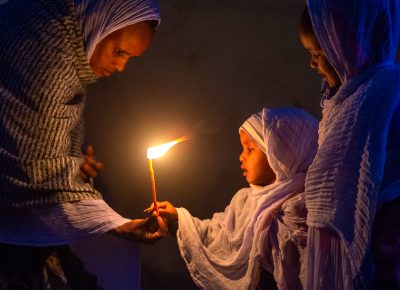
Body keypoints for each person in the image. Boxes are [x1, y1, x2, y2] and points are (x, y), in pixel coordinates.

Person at [0, 0, 166, 289]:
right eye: (118, 51)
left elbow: (38, 140)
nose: (121, 66)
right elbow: (32, 171)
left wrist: (69, 160)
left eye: (129, 58)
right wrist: (118, 225)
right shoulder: (48, 58)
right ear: (99, 23)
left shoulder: (65, 30)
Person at [147, 107, 319, 290]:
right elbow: (220, 237)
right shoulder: (245, 201)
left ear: (282, 153)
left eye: (250, 149)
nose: (241, 157)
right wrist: (177, 220)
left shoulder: (306, 209)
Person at [298, 2, 400, 289]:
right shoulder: (342, 107)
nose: (312, 64)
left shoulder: (381, 104)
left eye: (318, 53)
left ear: (349, 43)